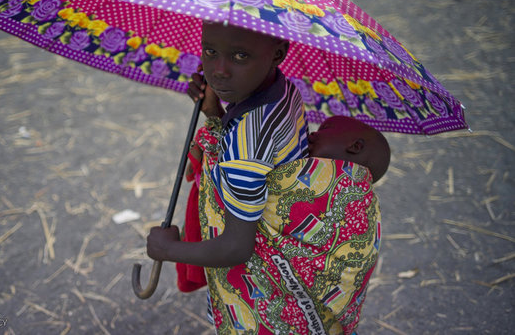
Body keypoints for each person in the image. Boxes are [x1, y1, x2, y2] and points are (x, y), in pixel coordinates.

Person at [147, 22, 390, 334]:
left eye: (240, 56)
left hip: (266, 292)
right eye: (210, 51)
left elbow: (236, 247)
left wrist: (167, 250)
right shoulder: (285, 91)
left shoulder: (246, 141)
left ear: (278, 53)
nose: (219, 70)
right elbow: (261, 163)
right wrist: (215, 113)